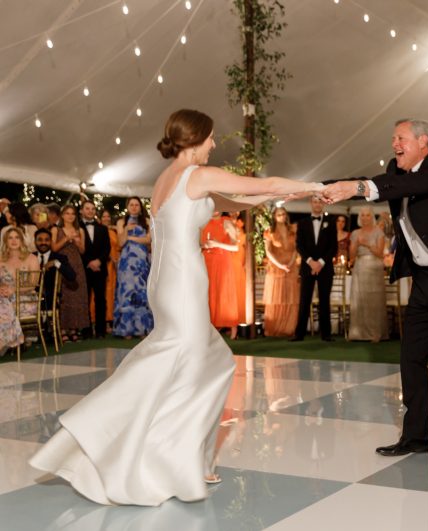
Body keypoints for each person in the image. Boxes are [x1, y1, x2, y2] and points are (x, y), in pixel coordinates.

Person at [30, 108, 322, 506]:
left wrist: (281, 195)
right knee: (182, 367)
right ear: (196, 139)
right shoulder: (197, 174)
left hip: (164, 282)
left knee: (212, 362)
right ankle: (142, 451)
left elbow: (236, 200)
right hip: (183, 281)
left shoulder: (165, 179)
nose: (215, 145)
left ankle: (192, 459)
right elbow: (261, 182)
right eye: (212, 138)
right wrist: (315, 185)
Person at [323, 118, 428, 459]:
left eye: (400, 138)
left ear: (422, 141)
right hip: (424, 280)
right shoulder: (395, 171)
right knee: (410, 357)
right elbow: (386, 184)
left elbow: (406, 186)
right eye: (393, 139)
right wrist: (330, 186)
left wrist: (356, 188)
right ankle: (415, 436)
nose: (394, 144)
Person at [293, 197, 338, 342]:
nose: (317, 203)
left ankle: (326, 334)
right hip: (307, 267)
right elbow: (299, 245)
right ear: (311, 203)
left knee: (325, 301)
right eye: (315, 201)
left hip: (325, 268)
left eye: (320, 201)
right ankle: (299, 334)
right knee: (304, 300)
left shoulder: (331, 223)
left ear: (323, 204)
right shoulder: (303, 223)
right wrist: (311, 262)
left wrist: (320, 263)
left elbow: (333, 247)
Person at [113, 197, 153, 339]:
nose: (134, 207)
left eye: (137, 205)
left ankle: (142, 328)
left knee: (141, 292)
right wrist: (125, 231)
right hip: (126, 262)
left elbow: (148, 240)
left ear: (140, 207)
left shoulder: (147, 221)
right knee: (126, 292)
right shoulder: (121, 222)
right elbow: (120, 242)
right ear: (128, 207)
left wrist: (131, 238)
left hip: (141, 261)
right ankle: (126, 329)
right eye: (132, 205)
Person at [348, 206, 388, 342]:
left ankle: (376, 333)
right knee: (359, 300)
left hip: (374, 267)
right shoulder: (355, 232)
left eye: (368, 215)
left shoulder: (379, 232)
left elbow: (379, 253)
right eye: (363, 215)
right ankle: (357, 332)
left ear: (372, 216)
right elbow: (351, 256)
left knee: (374, 301)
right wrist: (353, 246)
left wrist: (365, 244)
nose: (365, 218)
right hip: (359, 267)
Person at [51, 205, 90, 341]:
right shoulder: (56, 229)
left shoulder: (80, 230)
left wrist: (77, 242)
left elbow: (83, 250)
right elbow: (54, 248)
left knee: (77, 297)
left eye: (72, 214)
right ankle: (62, 329)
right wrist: (66, 239)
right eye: (67, 213)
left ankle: (74, 328)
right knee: (65, 296)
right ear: (62, 215)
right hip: (63, 265)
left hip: (77, 264)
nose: (70, 216)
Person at [0, 227, 39, 356]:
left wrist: (14, 290)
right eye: (10, 238)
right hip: (4, 297)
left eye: (17, 237)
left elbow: (33, 284)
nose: (14, 241)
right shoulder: (1, 259)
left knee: (4, 307)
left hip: (26, 298)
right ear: (5, 241)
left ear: (22, 240)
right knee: (3, 304)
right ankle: (9, 341)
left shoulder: (31, 258)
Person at [201, 212, 240, 339]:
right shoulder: (202, 221)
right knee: (209, 293)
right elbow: (198, 243)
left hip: (222, 261)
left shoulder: (226, 222)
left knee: (224, 292)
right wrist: (203, 245)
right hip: (207, 260)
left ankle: (232, 327)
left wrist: (218, 244)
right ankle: (211, 326)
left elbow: (236, 247)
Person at [262, 207, 300, 337]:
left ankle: (289, 329)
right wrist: (280, 265)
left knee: (290, 298)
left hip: (291, 267)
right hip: (275, 269)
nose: (281, 216)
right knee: (275, 299)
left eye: (283, 214)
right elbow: (268, 251)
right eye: (279, 215)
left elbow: (296, 249)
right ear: (274, 217)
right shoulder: (269, 232)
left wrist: (289, 264)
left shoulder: (293, 230)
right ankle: (274, 329)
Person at [80, 200, 111, 338]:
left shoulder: (103, 228)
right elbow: (78, 249)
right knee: (84, 299)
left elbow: (107, 248)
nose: (90, 211)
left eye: (93, 209)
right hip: (84, 269)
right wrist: (89, 262)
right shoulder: (77, 227)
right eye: (87, 208)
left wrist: (98, 261)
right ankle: (86, 331)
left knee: (100, 300)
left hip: (100, 269)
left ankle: (100, 331)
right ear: (82, 210)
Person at [32, 228, 76, 313]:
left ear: (51, 241)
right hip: (31, 297)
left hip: (50, 298)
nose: (43, 243)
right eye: (40, 240)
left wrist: (56, 263)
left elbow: (72, 276)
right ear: (35, 241)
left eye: (47, 240)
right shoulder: (29, 257)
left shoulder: (59, 258)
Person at [100, 209, 119, 327]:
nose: (106, 219)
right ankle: (106, 319)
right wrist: (110, 257)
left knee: (114, 291)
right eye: (104, 216)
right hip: (106, 263)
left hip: (116, 265)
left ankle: (113, 318)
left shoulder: (113, 231)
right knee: (106, 291)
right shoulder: (100, 230)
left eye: (108, 217)